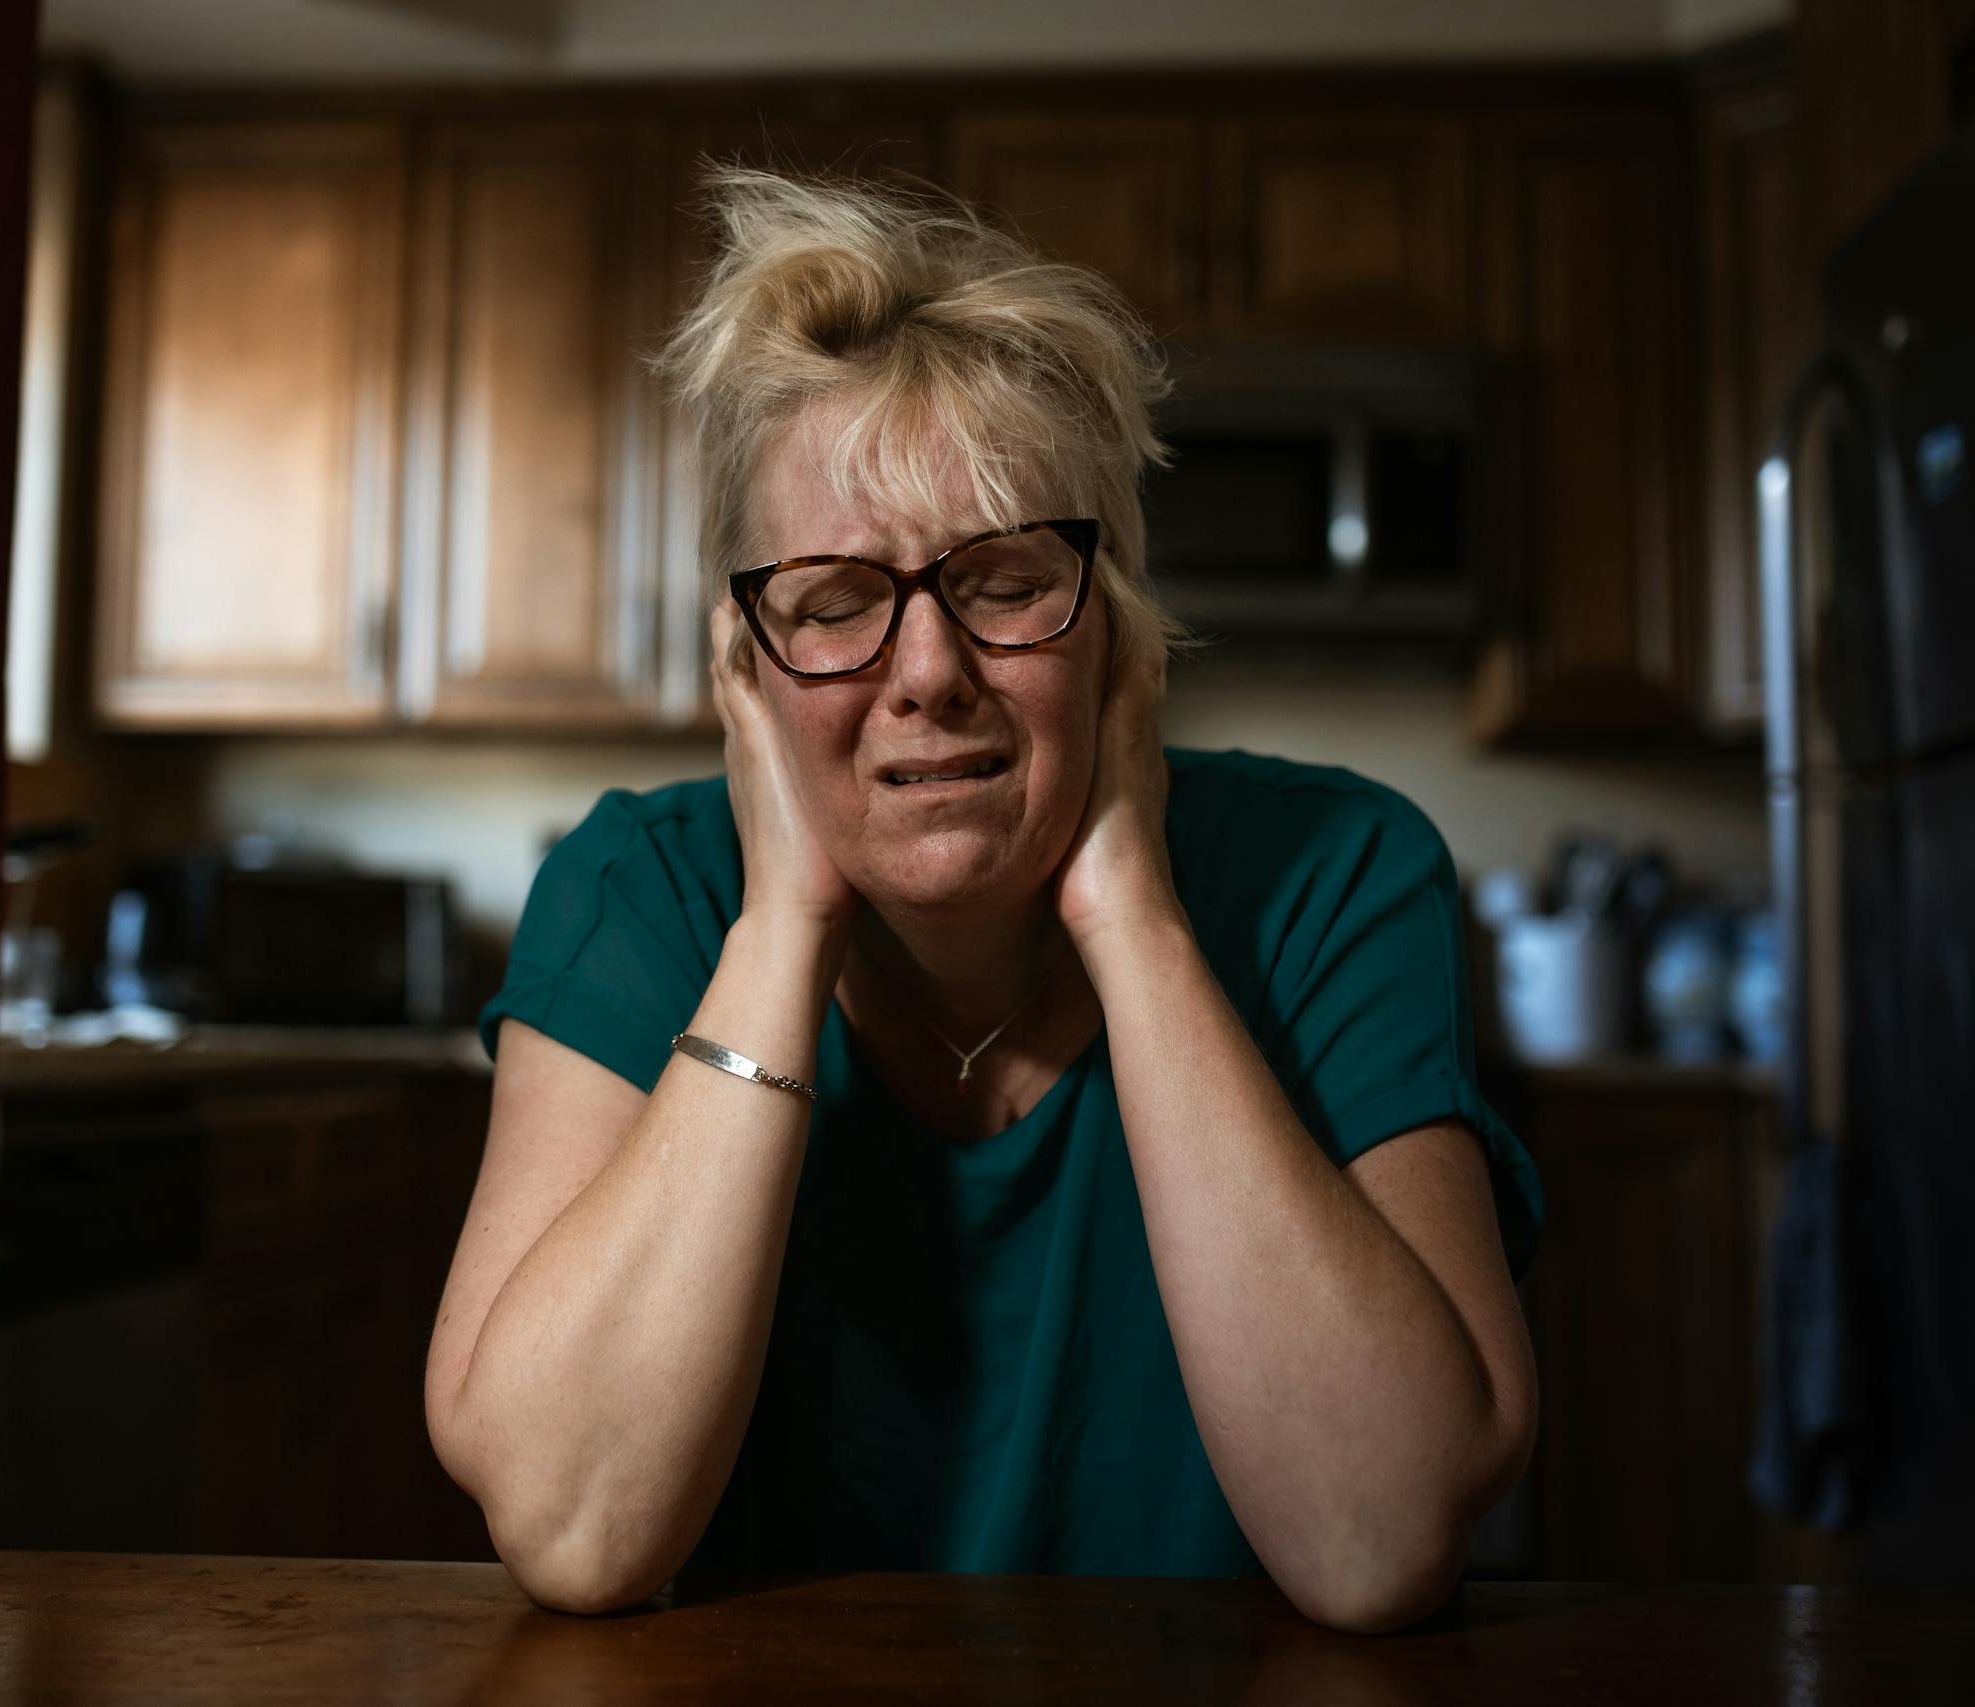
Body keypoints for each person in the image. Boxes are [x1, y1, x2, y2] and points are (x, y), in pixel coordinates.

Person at [422, 164, 1546, 1634]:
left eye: (1009, 583)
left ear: (1116, 636)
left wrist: (1132, 918)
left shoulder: (1339, 876)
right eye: (832, 601)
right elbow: (576, 1529)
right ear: (747, 671)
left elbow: (1379, 1538)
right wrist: (781, 929)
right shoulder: (639, 889)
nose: (930, 671)